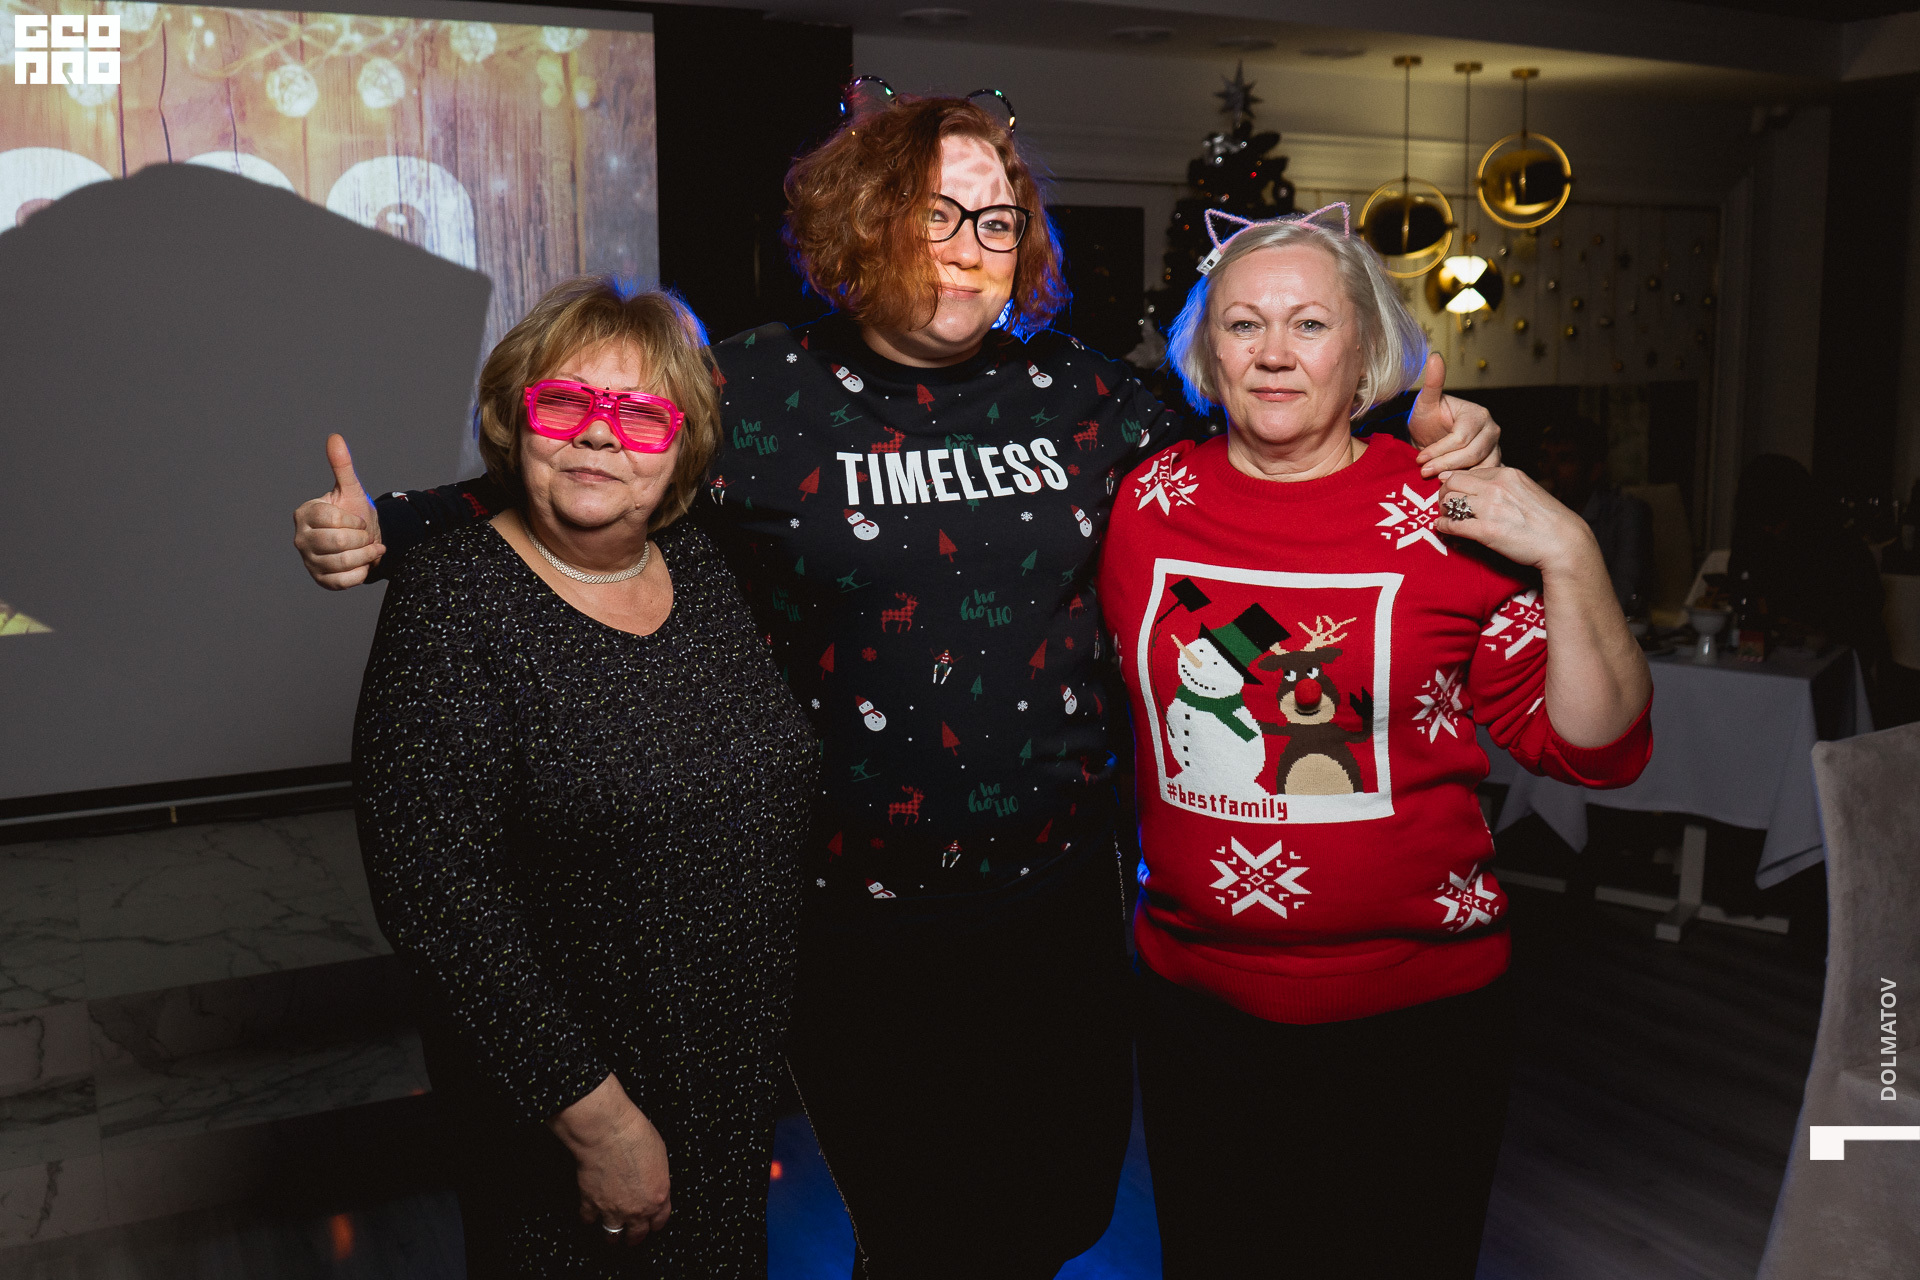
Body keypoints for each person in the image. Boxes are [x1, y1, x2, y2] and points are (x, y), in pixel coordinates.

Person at [299, 94, 1504, 1278]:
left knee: (1059, 1212)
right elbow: (593, 453)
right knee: (929, 1234)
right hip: (860, 926)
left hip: (1058, 909)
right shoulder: (757, 389)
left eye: (995, 222)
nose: (966, 248)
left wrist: (1434, 442)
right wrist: (393, 525)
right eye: (933, 214)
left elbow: (1270, 443)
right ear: (864, 222)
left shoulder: (1085, 395)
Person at [1097, 206, 1653, 1279]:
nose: (1272, 353)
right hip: (1194, 1011)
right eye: (1243, 324)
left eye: (1310, 324)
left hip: (1420, 1019)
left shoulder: (1445, 510)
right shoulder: (1142, 501)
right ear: (1207, 352)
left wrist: (1571, 551)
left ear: (1365, 352)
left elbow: (1596, 750)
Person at [351, 279, 818, 1278]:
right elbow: (439, 905)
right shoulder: (452, 598)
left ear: (683, 445)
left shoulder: (707, 568)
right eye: (566, 402)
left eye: (641, 415)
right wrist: (598, 1123)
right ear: (516, 419)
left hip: (728, 1091)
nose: (600, 435)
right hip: (570, 1107)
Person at [1728, 453, 1887, 662]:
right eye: (1762, 523)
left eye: (1776, 521)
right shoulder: (1752, 532)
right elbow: (1740, 586)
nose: (1769, 529)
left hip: (1834, 653)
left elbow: (1863, 613)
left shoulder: (1837, 543)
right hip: (1767, 651)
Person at [1535, 415, 1653, 616]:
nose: (1550, 471)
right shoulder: (1540, 511)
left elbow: (1623, 595)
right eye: (1545, 458)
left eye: (1564, 460)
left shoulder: (1625, 512)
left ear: (1594, 470)